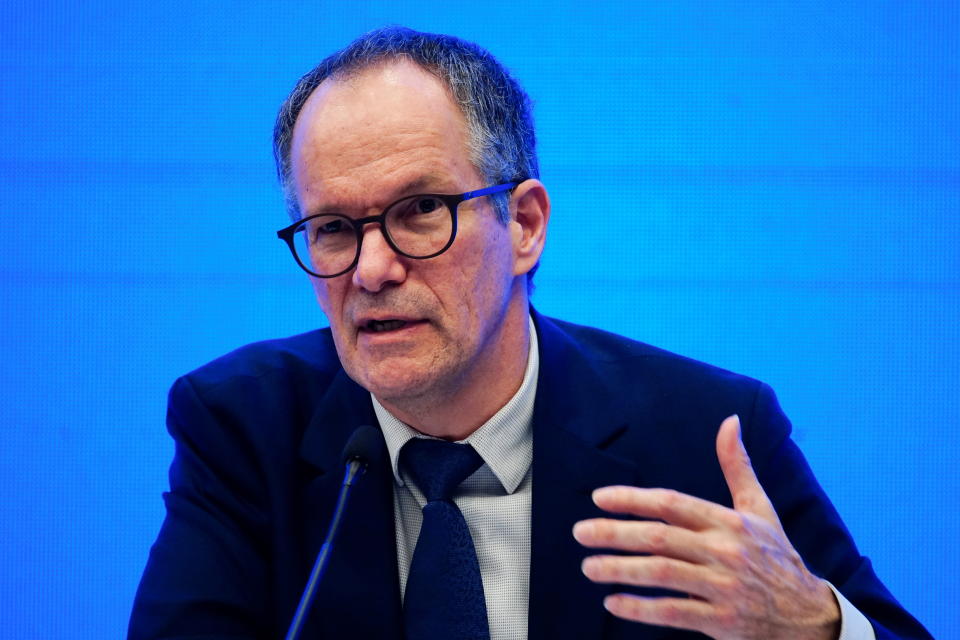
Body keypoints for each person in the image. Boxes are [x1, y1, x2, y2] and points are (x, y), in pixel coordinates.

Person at [128, 26, 931, 640]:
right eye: (334, 227)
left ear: (524, 224)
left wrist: (816, 625)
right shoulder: (241, 427)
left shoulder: (703, 434)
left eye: (419, 212)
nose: (370, 269)